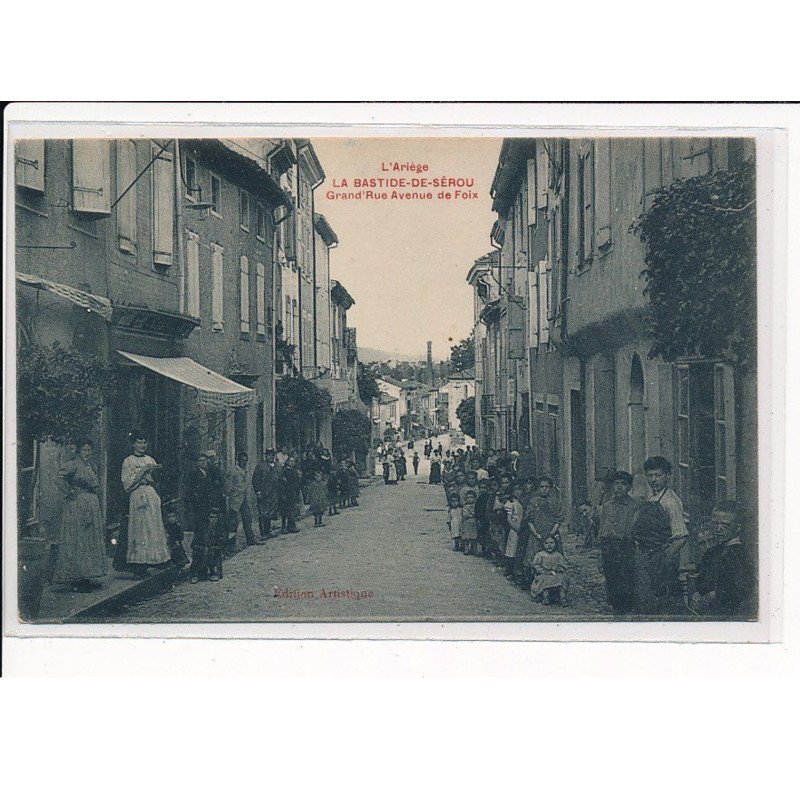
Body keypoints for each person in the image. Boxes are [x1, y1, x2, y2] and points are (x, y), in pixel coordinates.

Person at [631, 456, 692, 613]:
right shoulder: (652, 496)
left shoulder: (671, 502)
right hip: (646, 555)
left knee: (662, 602)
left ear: (668, 476)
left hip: (662, 559)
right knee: (644, 599)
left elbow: (682, 537)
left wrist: (664, 559)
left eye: (658, 475)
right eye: (650, 475)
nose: (653, 479)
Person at [52, 439, 107, 591]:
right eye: (84, 450)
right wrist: (69, 491)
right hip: (78, 505)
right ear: (78, 451)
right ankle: (77, 578)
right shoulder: (73, 464)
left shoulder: (91, 466)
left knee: (89, 540)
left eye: (89, 450)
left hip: (91, 503)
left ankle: (87, 576)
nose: (87, 453)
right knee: (79, 539)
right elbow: (58, 477)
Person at [121, 431, 171, 579]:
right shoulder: (128, 461)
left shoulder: (150, 459)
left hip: (151, 494)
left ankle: (154, 560)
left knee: (153, 526)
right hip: (138, 496)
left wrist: (152, 476)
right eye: (138, 442)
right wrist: (142, 472)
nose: (142, 445)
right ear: (133, 444)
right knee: (140, 528)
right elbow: (127, 483)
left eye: (144, 443)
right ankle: (139, 565)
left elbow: (156, 479)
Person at [694, 502, 753, 617]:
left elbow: (743, 589)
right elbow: (700, 578)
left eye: (725, 525)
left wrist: (715, 595)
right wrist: (695, 593)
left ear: (738, 528)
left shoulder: (741, 555)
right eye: (715, 524)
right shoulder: (710, 552)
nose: (718, 529)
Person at [597, 471, 641, 614]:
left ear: (629, 487)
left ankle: (626, 609)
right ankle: (616, 608)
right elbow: (603, 530)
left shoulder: (634, 506)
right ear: (612, 487)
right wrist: (600, 554)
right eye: (617, 484)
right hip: (609, 547)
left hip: (626, 547)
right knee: (611, 578)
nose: (620, 487)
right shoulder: (607, 506)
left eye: (623, 484)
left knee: (626, 579)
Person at [227, 452, 261, 548]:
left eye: (245, 461)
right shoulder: (233, 471)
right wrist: (231, 496)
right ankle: (231, 546)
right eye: (242, 460)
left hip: (243, 498)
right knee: (233, 523)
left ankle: (251, 539)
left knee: (247, 518)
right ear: (238, 460)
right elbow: (228, 487)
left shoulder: (245, 471)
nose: (244, 462)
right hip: (235, 499)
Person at [530, 535, 569, 606]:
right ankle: (545, 597)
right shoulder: (540, 554)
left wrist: (558, 569)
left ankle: (562, 598)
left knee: (562, 578)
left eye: (551, 543)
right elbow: (536, 565)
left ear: (555, 544)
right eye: (546, 543)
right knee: (545, 579)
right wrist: (543, 571)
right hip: (543, 573)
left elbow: (563, 566)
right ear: (543, 544)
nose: (549, 545)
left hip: (555, 574)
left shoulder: (558, 555)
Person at [252, 448, 281, 540]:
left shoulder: (277, 466)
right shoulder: (261, 466)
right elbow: (255, 480)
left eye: (272, 455)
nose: (270, 456)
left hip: (273, 493)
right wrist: (258, 491)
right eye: (268, 455)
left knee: (270, 511)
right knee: (263, 512)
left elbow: (279, 478)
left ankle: (268, 531)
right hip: (263, 492)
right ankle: (263, 532)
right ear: (265, 456)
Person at [503, 486, 525, 578]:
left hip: (520, 526)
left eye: (520, 489)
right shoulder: (510, 503)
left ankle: (516, 570)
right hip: (514, 528)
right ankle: (509, 570)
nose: (518, 492)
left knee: (517, 549)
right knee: (511, 549)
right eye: (516, 490)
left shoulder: (520, 502)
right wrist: (516, 528)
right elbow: (509, 519)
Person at [162, 498, 189, 568]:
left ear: (176, 518)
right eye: (169, 517)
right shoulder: (166, 526)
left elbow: (180, 535)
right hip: (169, 543)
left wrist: (178, 540)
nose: (171, 518)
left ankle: (180, 565)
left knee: (178, 553)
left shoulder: (177, 526)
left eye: (173, 517)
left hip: (176, 543)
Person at [278, 456, 302, 532]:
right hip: (286, 493)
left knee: (292, 510)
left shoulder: (294, 471)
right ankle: (283, 527)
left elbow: (297, 483)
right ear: (287, 462)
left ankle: (291, 526)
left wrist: (297, 492)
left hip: (293, 493)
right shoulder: (284, 471)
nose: (292, 463)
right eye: (290, 461)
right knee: (285, 511)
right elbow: (282, 482)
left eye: (293, 461)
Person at [461, 488, 479, 555]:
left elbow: (477, 513)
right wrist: (472, 514)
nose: (469, 499)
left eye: (471, 497)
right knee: (466, 537)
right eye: (468, 497)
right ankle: (466, 549)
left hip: (474, 523)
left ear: (474, 498)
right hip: (467, 523)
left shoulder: (476, 506)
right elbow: (465, 514)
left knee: (474, 537)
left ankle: (474, 549)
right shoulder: (465, 506)